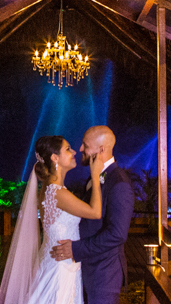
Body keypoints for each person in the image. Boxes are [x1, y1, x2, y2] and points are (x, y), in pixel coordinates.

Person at [0, 135, 103, 304]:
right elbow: (96, 212)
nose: (74, 151)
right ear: (55, 158)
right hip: (60, 269)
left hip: (56, 261)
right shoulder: (57, 192)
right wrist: (95, 177)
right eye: (68, 149)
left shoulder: (49, 188)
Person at [49, 126, 134, 304]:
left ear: (101, 149)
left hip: (103, 275)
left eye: (85, 145)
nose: (80, 149)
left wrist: (76, 249)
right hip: (85, 270)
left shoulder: (119, 182)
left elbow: (117, 234)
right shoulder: (96, 177)